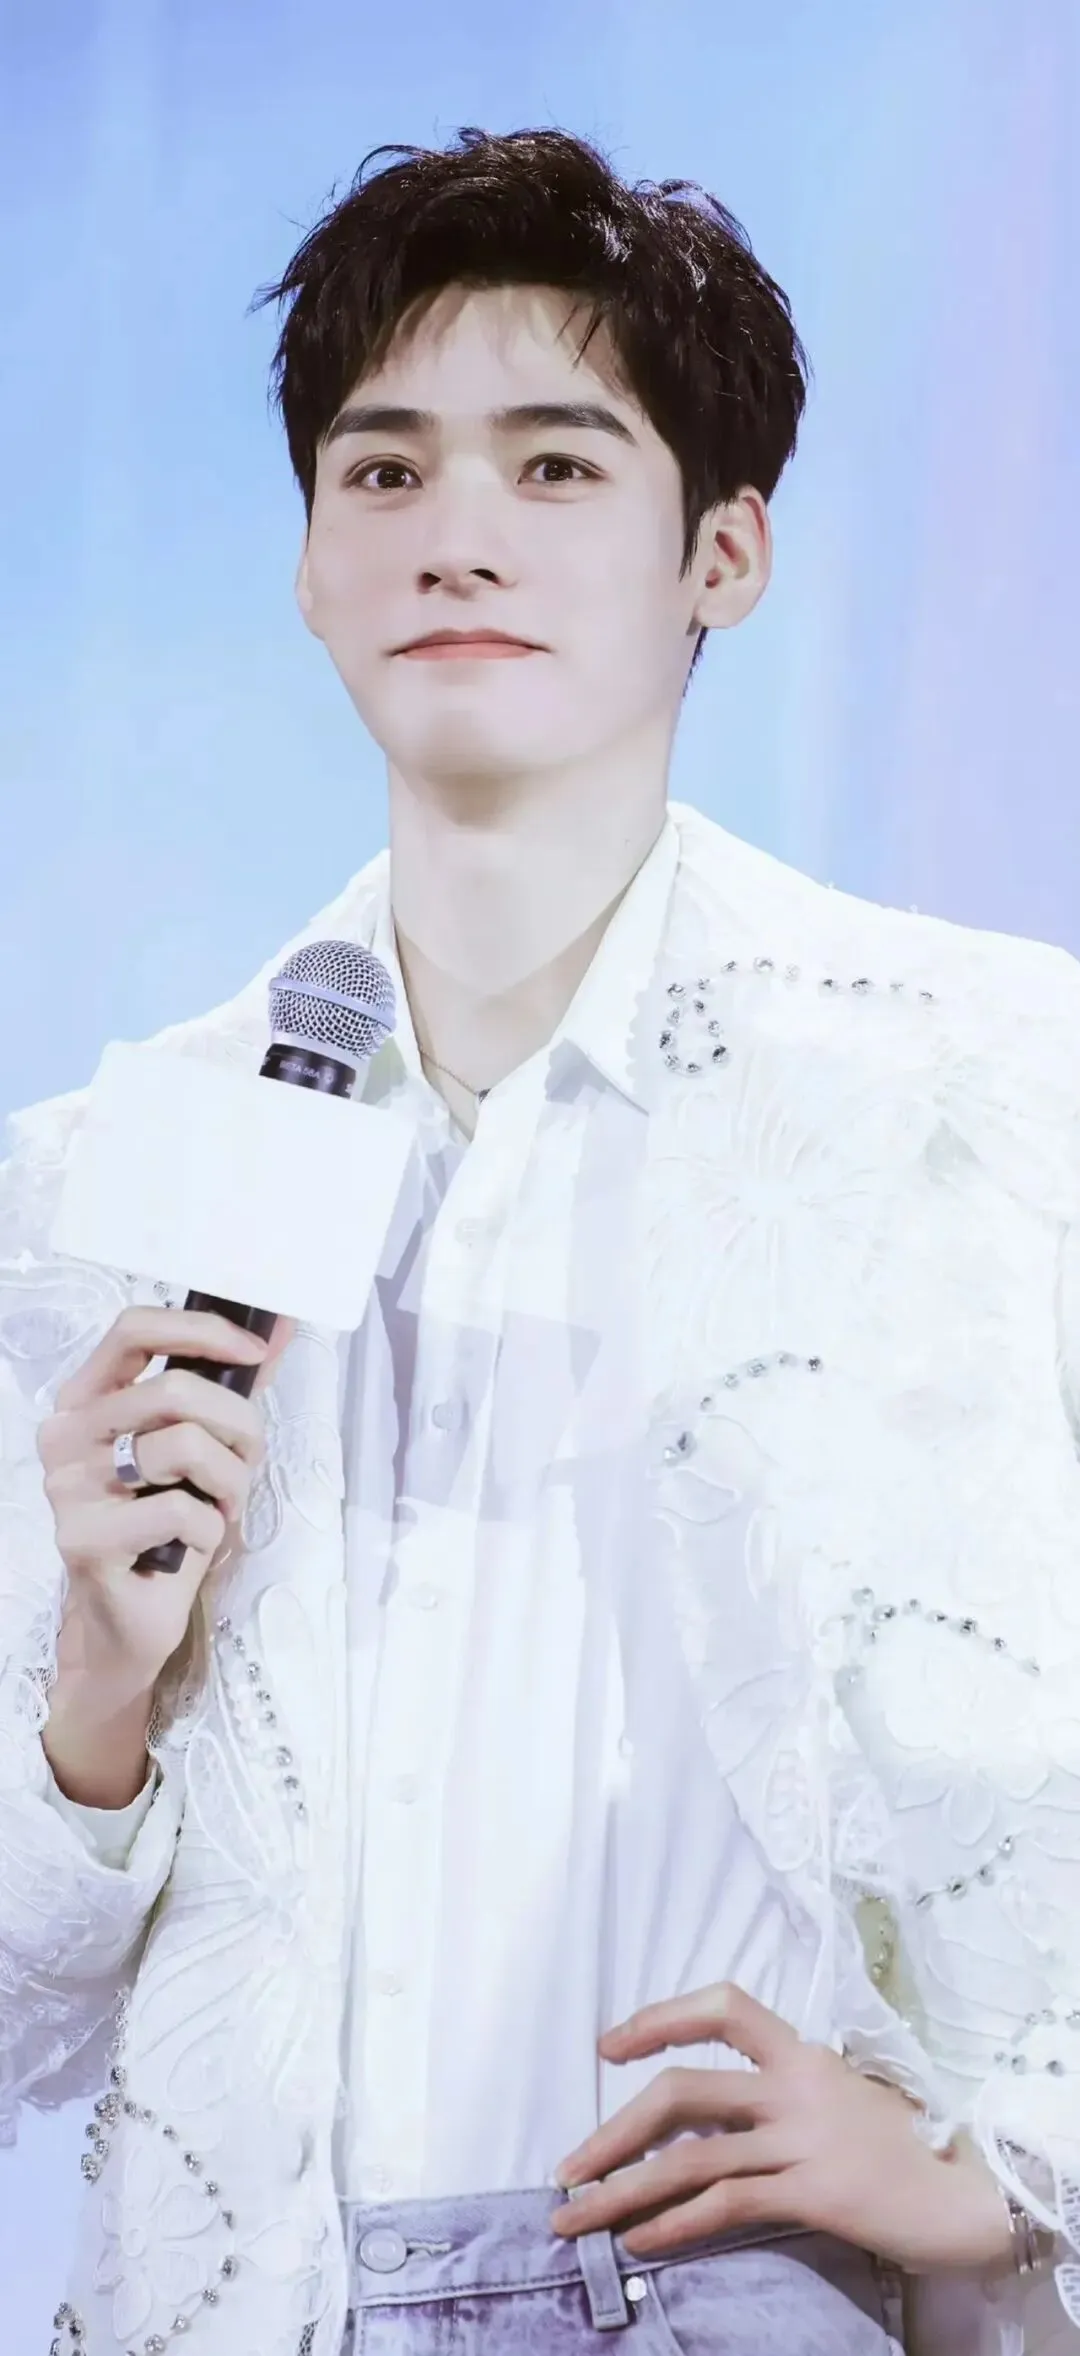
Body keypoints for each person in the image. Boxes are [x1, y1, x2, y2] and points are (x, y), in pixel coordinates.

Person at [1, 123, 1077, 2356]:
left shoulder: (987, 1086)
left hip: (746, 2296)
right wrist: (96, 1693)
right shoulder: (112, 1181)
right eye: (383, 471)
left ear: (725, 552)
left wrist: (1001, 2178)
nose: (456, 532)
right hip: (248, 2301)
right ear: (311, 566)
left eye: (558, 464)